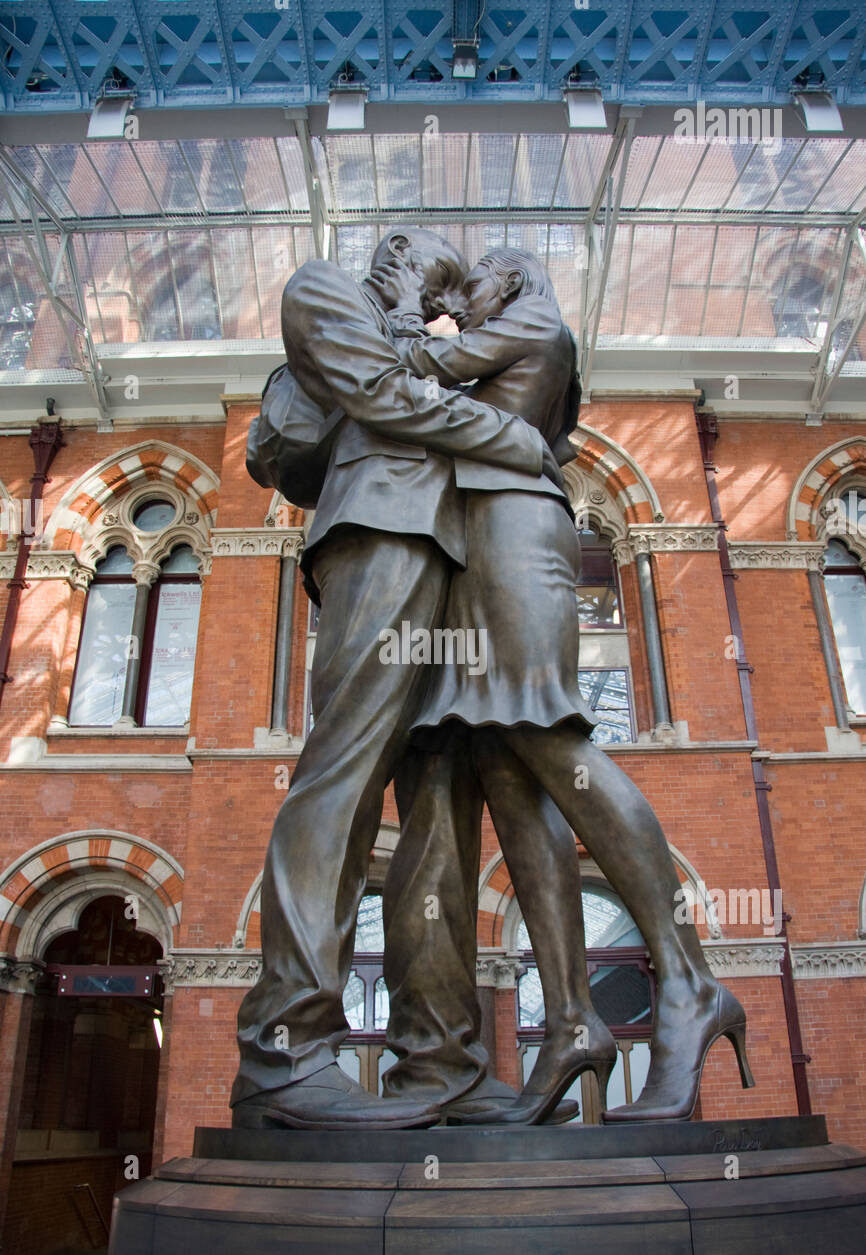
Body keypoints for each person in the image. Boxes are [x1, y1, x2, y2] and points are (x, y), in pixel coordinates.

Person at [377, 249, 755, 1124]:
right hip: (477, 546)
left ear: (508, 281)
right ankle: (573, 1022)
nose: (456, 301)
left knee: (551, 738)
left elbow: (416, 372)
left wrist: (405, 309)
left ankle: (690, 983)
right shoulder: (507, 329)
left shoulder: (533, 320)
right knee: (511, 775)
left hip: (514, 535)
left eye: (469, 286)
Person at [231, 229, 554, 1129]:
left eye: (454, 290)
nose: (444, 301)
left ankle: (438, 1063)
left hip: (457, 563)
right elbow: (359, 407)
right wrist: (511, 438)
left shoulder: (430, 344)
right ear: (398, 253)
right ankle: (284, 1053)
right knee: (342, 775)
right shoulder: (326, 290)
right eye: (436, 278)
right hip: (378, 537)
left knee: (444, 808)